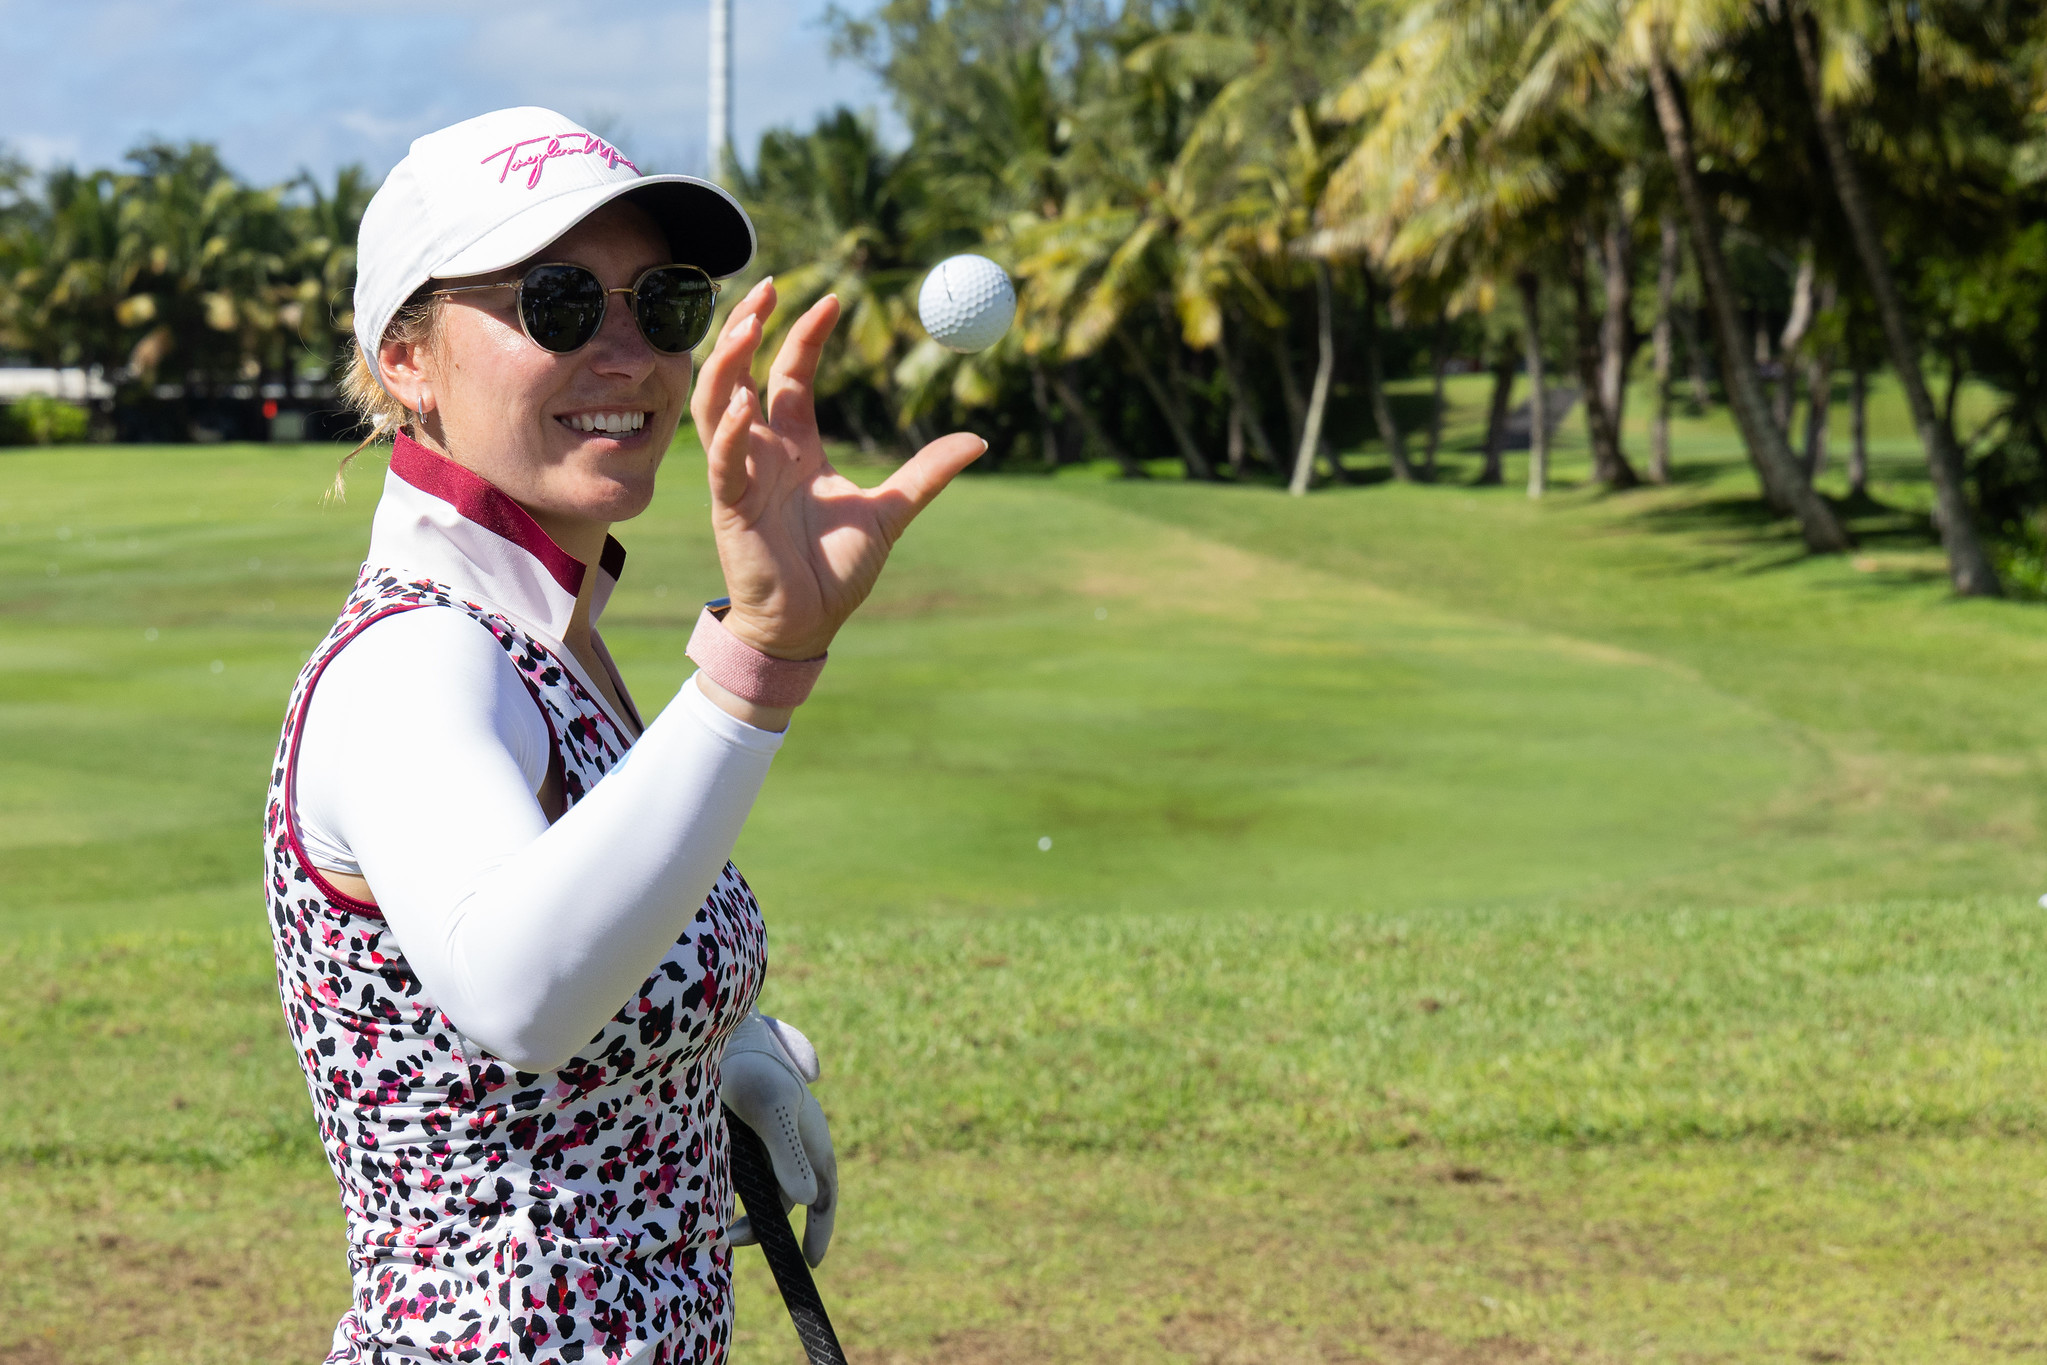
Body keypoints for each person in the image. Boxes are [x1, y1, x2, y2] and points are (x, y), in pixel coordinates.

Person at [263, 107, 984, 1364]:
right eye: (554, 302)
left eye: (658, 303)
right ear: (406, 361)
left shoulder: (545, 635)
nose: (627, 354)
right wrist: (758, 661)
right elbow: (520, 991)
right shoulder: (418, 656)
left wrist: (713, 1061)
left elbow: (575, 992)